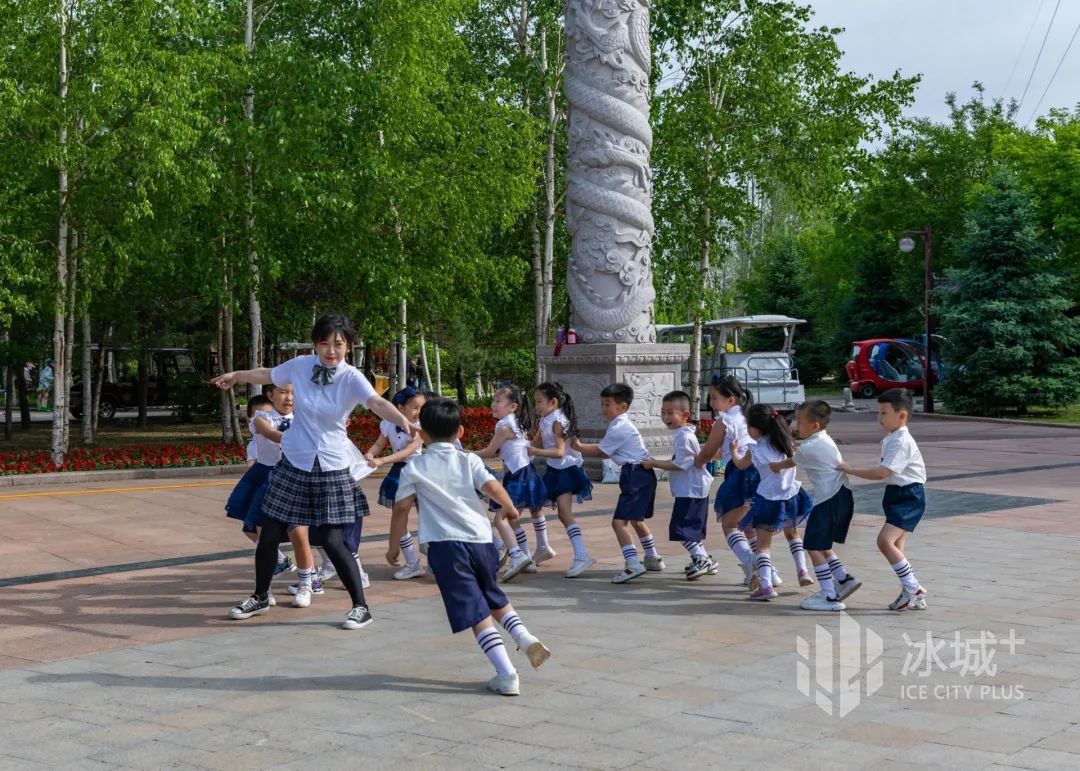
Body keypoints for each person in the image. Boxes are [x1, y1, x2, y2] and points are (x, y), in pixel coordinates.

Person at [215, 313, 413, 629]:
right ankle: (260, 596)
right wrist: (237, 375)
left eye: (338, 344)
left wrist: (402, 420)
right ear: (315, 345)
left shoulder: (351, 377)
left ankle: (361, 607)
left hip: (331, 464)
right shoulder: (300, 366)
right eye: (324, 344)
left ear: (348, 346)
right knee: (269, 531)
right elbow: (268, 374)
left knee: (333, 540)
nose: (331, 351)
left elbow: (376, 402)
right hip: (295, 460)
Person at [388, 397, 551, 696]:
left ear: (421, 434)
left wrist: (393, 547)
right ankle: (523, 635)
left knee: (476, 611)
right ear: (460, 432)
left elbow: (400, 510)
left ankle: (506, 673)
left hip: (446, 547)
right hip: (482, 541)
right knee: (491, 594)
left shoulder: (415, 468)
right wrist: (509, 507)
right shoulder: (469, 460)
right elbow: (492, 486)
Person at [839, 388, 928, 611]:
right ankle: (912, 594)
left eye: (884, 413)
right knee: (896, 545)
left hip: (908, 496)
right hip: (898, 494)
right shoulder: (892, 438)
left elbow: (882, 473)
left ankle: (914, 588)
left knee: (884, 541)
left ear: (902, 415)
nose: (879, 418)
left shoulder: (901, 441)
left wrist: (851, 469)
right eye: (878, 412)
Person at [770, 400, 860, 611]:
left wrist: (775, 466)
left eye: (800, 422)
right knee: (821, 544)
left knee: (812, 545)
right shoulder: (824, 440)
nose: (796, 426)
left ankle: (828, 595)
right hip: (841, 496)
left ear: (815, 425)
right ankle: (843, 578)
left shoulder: (809, 448)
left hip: (828, 500)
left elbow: (791, 461)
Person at [573, 382, 664, 584]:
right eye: (603, 404)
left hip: (635, 475)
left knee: (618, 522)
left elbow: (601, 451)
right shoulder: (620, 424)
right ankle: (652, 557)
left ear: (623, 406)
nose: (604, 408)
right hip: (641, 475)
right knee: (636, 519)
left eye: (608, 404)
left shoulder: (619, 427)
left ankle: (633, 563)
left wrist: (578, 446)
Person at [730, 404, 813, 601]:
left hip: (768, 499)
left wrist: (734, 451)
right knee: (793, 534)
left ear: (755, 429)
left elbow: (740, 464)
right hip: (792, 494)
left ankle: (766, 586)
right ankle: (802, 571)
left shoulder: (755, 449)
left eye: (749, 426)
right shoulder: (785, 443)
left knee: (763, 545)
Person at [224, 388, 296, 592]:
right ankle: (265, 589)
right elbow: (270, 436)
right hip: (266, 481)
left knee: (304, 534)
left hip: (292, 480)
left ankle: (310, 578)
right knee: (259, 532)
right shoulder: (261, 422)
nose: (289, 397)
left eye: (293, 392)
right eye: (283, 392)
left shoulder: (299, 419)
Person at [473, 385, 545, 581]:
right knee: (512, 518)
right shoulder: (514, 422)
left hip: (518, 476)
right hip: (523, 473)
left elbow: (490, 452)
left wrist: (464, 453)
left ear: (513, 406)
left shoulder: (504, 427)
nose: (493, 404)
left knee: (500, 519)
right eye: (493, 400)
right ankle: (526, 557)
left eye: (498, 401)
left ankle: (516, 555)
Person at [644, 391, 716, 580]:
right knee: (690, 529)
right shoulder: (683, 435)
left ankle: (701, 558)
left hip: (690, 490)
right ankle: (704, 558)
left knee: (681, 529)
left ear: (685, 415)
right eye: (663, 412)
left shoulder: (684, 438)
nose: (666, 417)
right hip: (692, 489)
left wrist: (654, 463)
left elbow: (680, 465)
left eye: (670, 413)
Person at [695, 376, 759, 585]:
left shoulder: (724, 421)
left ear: (731, 399)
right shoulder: (747, 416)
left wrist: (694, 463)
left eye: (714, 398)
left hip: (740, 473)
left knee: (730, 525)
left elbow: (708, 451)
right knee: (749, 525)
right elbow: (722, 451)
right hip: (759, 471)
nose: (711, 402)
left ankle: (752, 565)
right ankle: (768, 571)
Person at [528, 382, 595, 578]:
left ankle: (582, 555)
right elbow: (535, 442)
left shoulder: (558, 420)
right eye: (535, 402)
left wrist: (534, 451)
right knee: (536, 505)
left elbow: (559, 452)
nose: (537, 406)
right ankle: (543, 547)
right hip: (554, 470)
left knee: (564, 513)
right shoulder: (545, 419)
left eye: (539, 402)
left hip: (565, 470)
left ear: (553, 402)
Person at [365, 387, 427, 580]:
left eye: (422, 408)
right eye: (415, 407)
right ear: (400, 408)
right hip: (400, 472)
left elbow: (408, 451)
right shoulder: (387, 424)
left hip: (420, 471)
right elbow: (379, 444)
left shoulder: (420, 427)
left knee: (427, 516)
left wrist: (382, 461)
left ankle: (436, 558)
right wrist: (370, 454)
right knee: (400, 516)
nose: (419, 412)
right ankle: (411, 562)